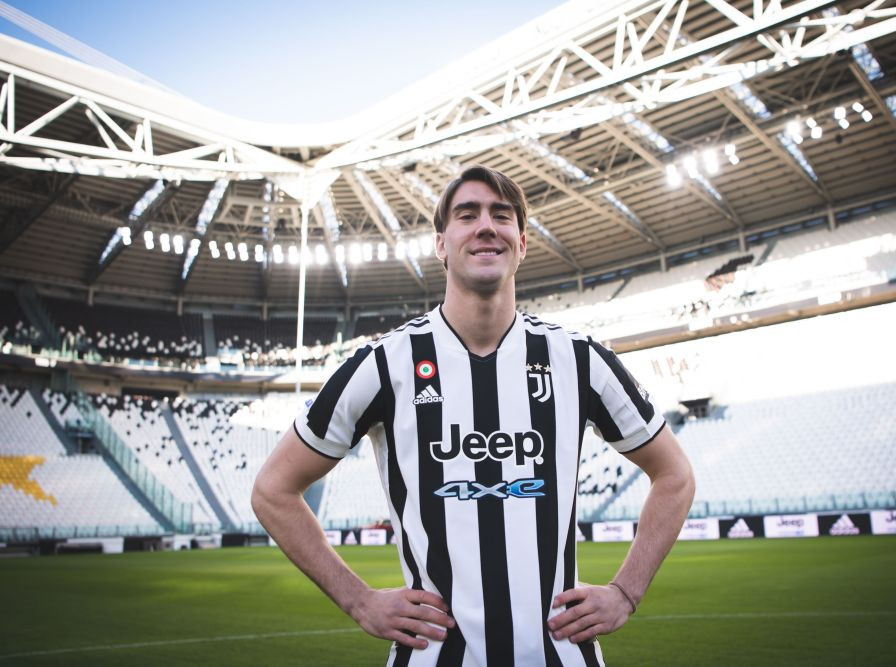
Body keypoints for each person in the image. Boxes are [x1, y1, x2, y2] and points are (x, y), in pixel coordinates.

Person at [252, 165, 695, 666]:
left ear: (521, 244)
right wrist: (358, 600)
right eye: (467, 215)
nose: (486, 226)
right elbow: (273, 490)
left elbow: (675, 474)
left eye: (501, 215)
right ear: (441, 244)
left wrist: (626, 591)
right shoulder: (383, 364)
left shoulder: (580, 360)